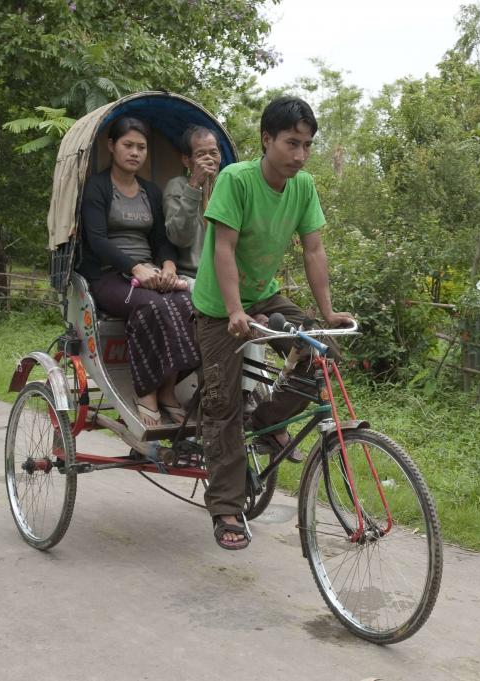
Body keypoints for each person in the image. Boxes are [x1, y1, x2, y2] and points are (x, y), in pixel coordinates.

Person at [192, 96, 353, 550]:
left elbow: (313, 250)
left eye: (307, 145)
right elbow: (223, 248)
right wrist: (234, 312)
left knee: (324, 353)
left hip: (263, 294)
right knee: (220, 402)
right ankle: (226, 506)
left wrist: (326, 313)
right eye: (291, 143)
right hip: (218, 306)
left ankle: (262, 422)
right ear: (267, 140)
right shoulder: (235, 180)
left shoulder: (303, 187)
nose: (300, 155)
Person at [77, 116, 199, 427]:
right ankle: (146, 393)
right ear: (111, 146)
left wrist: (169, 267)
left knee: (188, 304)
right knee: (152, 306)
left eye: (141, 147)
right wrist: (135, 268)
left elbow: (162, 241)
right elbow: (97, 240)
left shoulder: (151, 192)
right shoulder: (97, 187)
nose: (135, 152)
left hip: (150, 273)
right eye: (128, 145)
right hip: (107, 276)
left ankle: (169, 391)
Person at [162, 125, 221, 289]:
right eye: (201, 154)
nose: (209, 159)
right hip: (190, 277)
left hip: (224, 275)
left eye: (214, 153)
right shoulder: (177, 187)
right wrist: (194, 185)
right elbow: (180, 239)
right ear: (186, 160)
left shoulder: (227, 187)